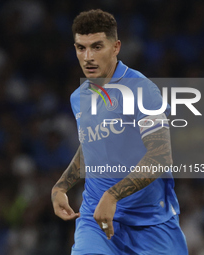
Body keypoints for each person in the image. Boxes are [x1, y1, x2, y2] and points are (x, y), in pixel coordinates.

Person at [51, 9, 188, 254]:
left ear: (116, 47)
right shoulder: (79, 97)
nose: (88, 57)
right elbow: (93, 145)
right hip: (96, 221)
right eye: (81, 48)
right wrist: (61, 187)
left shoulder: (142, 89)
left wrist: (112, 196)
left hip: (151, 224)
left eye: (97, 47)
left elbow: (160, 156)